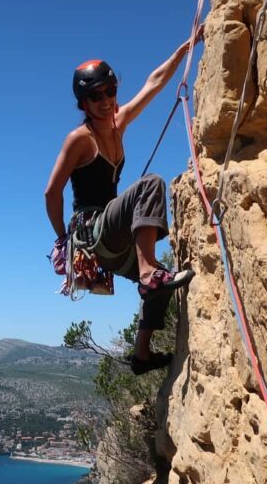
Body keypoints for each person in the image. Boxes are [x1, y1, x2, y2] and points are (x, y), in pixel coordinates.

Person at [45, 28, 202, 374]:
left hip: (112, 236)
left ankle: (141, 356)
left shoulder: (120, 122)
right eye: (95, 96)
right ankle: (148, 272)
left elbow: (154, 84)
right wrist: (62, 240)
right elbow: (51, 192)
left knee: (163, 281)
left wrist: (184, 50)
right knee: (150, 185)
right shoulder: (79, 139)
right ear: (83, 104)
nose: (105, 100)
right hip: (92, 230)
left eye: (110, 92)